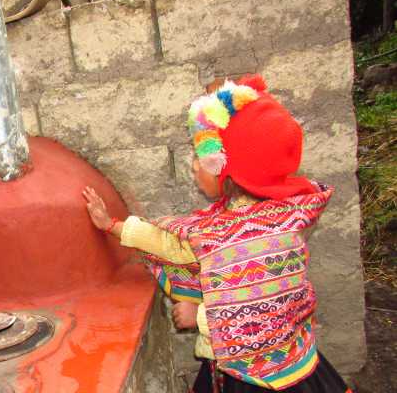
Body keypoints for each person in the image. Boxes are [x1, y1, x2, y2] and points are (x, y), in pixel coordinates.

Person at [82, 75, 352, 392]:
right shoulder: (269, 218)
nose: (194, 166)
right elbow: (175, 245)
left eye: (201, 157)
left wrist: (201, 317)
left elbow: (265, 316)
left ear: (230, 167)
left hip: (256, 380)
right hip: (262, 365)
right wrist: (112, 225)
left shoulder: (259, 237)